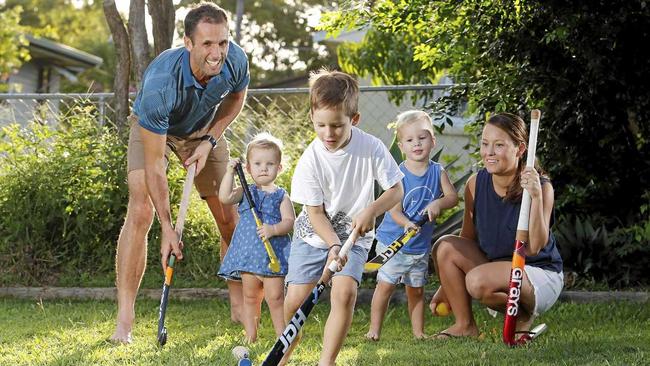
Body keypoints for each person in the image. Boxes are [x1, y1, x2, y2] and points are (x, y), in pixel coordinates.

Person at [110, 2, 249, 343]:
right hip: (156, 131)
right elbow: (156, 164)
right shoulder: (161, 82)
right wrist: (168, 227)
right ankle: (125, 321)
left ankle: (238, 304)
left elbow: (237, 98)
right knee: (141, 211)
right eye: (207, 44)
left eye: (222, 42)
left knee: (230, 218)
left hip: (203, 131)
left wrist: (209, 140)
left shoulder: (236, 60)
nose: (217, 53)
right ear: (188, 43)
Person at [281, 69, 404, 366]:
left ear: (354, 120)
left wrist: (371, 210)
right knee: (296, 301)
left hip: (355, 237)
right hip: (313, 234)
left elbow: (396, 190)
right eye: (321, 125)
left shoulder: (371, 148)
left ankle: (327, 362)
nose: (328, 134)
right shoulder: (311, 158)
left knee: (345, 292)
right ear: (312, 118)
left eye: (336, 126)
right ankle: (285, 352)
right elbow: (314, 212)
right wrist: (333, 246)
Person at [428, 112, 563, 341]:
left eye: (498, 145)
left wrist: (537, 198)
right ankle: (464, 326)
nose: (489, 152)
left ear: (520, 150)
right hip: (495, 270)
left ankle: (522, 317)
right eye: (485, 144)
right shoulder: (475, 184)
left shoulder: (540, 187)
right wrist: (447, 285)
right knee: (445, 246)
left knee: (477, 281)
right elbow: (467, 239)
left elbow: (536, 247)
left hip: (538, 273)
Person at [364, 110, 458, 341]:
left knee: (415, 291)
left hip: (419, 247)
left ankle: (418, 333)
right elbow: (393, 210)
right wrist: (406, 223)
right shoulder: (399, 175)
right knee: (385, 286)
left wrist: (438, 202)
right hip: (393, 243)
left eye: (422, 138)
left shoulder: (438, 171)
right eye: (409, 140)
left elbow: (453, 198)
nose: (417, 143)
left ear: (433, 141)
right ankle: (374, 330)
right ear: (402, 146)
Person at [218, 133, 295, 343]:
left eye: (270, 164)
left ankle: (282, 336)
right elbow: (224, 197)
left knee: (275, 298)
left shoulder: (281, 195)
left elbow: (290, 221)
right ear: (249, 169)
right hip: (249, 257)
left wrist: (274, 229)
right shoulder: (245, 191)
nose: (263, 168)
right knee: (250, 297)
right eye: (258, 164)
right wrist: (229, 173)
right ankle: (251, 335)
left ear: (279, 168)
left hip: (273, 258)